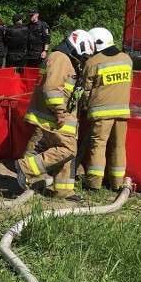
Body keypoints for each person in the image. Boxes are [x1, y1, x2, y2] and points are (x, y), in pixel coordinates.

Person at [16, 30, 96, 201]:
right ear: (78, 45)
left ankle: (64, 191)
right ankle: (26, 167)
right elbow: (52, 89)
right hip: (55, 114)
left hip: (60, 114)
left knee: (64, 151)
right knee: (68, 149)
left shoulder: (66, 59)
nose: (83, 60)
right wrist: (60, 112)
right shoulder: (60, 58)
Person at [82, 27, 133, 191]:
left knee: (98, 147)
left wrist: (86, 105)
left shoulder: (93, 62)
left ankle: (93, 184)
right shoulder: (127, 59)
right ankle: (117, 184)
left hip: (100, 113)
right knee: (118, 148)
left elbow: (86, 90)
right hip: (122, 112)